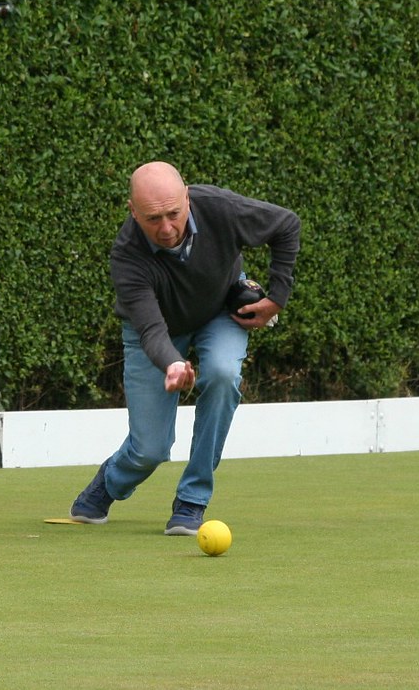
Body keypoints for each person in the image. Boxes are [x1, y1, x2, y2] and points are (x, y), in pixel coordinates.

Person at [69, 161, 300, 533]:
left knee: (223, 375)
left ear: (188, 198)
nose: (166, 228)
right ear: (133, 212)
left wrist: (277, 297)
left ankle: (192, 499)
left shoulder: (220, 208)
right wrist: (173, 364)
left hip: (218, 312)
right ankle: (108, 483)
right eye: (153, 219)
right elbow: (149, 328)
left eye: (174, 214)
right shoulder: (127, 256)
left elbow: (286, 224)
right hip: (158, 331)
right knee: (150, 449)